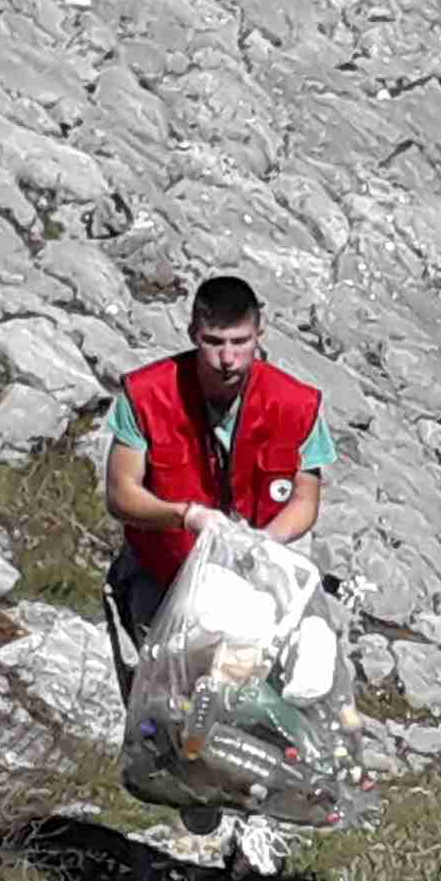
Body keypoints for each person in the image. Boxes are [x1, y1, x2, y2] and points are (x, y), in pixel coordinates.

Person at [103, 274, 331, 702]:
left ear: (259, 334)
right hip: (166, 567)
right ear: (193, 334)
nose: (228, 358)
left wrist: (262, 543)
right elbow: (121, 494)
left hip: (263, 561)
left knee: (289, 655)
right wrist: (186, 515)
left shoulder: (296, 404)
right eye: (214, 342)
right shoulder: (147, 395)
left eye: (240, 342)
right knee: (172, 685)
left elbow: (305, 500)